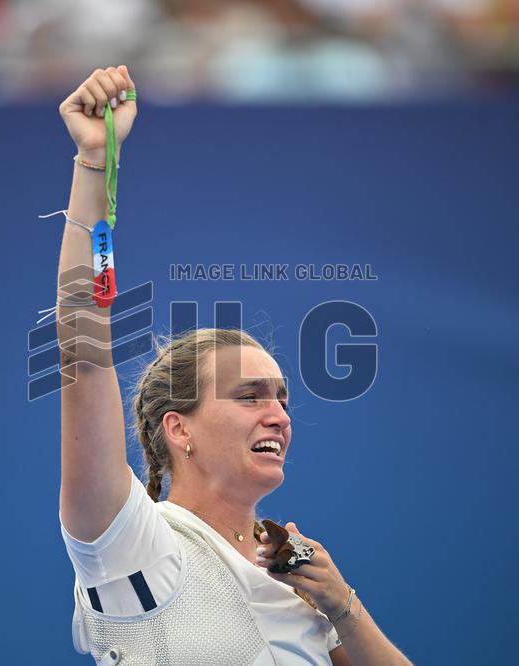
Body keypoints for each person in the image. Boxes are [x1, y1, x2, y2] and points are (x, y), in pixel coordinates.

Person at [53, 65, 411, 665]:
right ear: (178, 428)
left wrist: (343, 607)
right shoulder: (131, 543)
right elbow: (82, 353)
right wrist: (94, 161)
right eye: (250, 396)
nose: (279, 416)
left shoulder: (301, 584)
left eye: (282, 399)